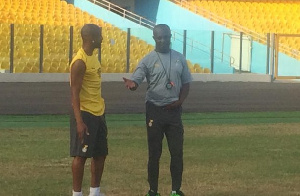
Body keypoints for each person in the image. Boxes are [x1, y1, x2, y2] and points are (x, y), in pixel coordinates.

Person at [123, 24, 192, 196]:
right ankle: (153, 190)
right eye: (160, 37)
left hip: (174, 112)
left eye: (166, 37)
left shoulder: (179, 58)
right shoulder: (147, 60)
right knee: (154, 153)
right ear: (154, 38)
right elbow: (136, 79)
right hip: (155, 111)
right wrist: (132, 85)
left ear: (170, 37)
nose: (163, 40)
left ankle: (176, 190)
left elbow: (186, 83)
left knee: (177, 152)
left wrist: (180, 101)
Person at [69, 24, 107, 196]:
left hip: (99, 112)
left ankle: (95, 192)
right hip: (85, 114)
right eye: (99, 36)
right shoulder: (79, 62)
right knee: (81, 156)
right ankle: (77, 193)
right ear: (91, 38)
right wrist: (79, 122)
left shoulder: (94, 57)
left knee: (100, 154)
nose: (102, 38)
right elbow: (74, 94)